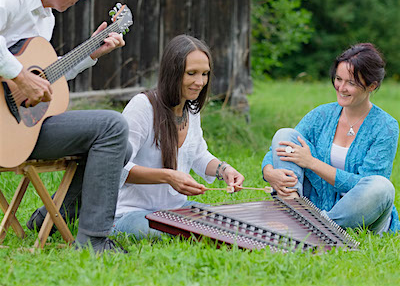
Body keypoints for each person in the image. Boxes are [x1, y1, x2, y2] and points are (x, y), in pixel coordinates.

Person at [0, 0, 132, 252]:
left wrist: (90, 54)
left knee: (120, 148)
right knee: (112, 126)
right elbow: (24, 76)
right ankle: (94, 241)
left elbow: (46, 75)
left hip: (19, 130)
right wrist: (19, 75)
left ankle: (49, 217)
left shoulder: (44, 17)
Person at [112, 34, 245, 239]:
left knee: (224, 224)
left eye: (205, 74)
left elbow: (198, 155)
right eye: (191, 73)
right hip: (131, 211)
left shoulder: (191, 110)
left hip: (176, 208)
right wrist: (168, 176)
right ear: (173, 72)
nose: (199, 82)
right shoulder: (142, 107)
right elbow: (115, 168)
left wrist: (224, 170)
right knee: (172, 233)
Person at [261, 43, 399, 234]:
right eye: (338, 79)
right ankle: (292, 209)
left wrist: (312, 163)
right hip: (316, 202)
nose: (341, 88)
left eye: (351, 83)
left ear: (372, 85)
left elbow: (365, 183)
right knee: (285, 133)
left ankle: (318, 225)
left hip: (360, 213)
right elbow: (280, 147)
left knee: (382, 187)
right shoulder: (322, 115)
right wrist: (268, 172)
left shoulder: (386, 127)